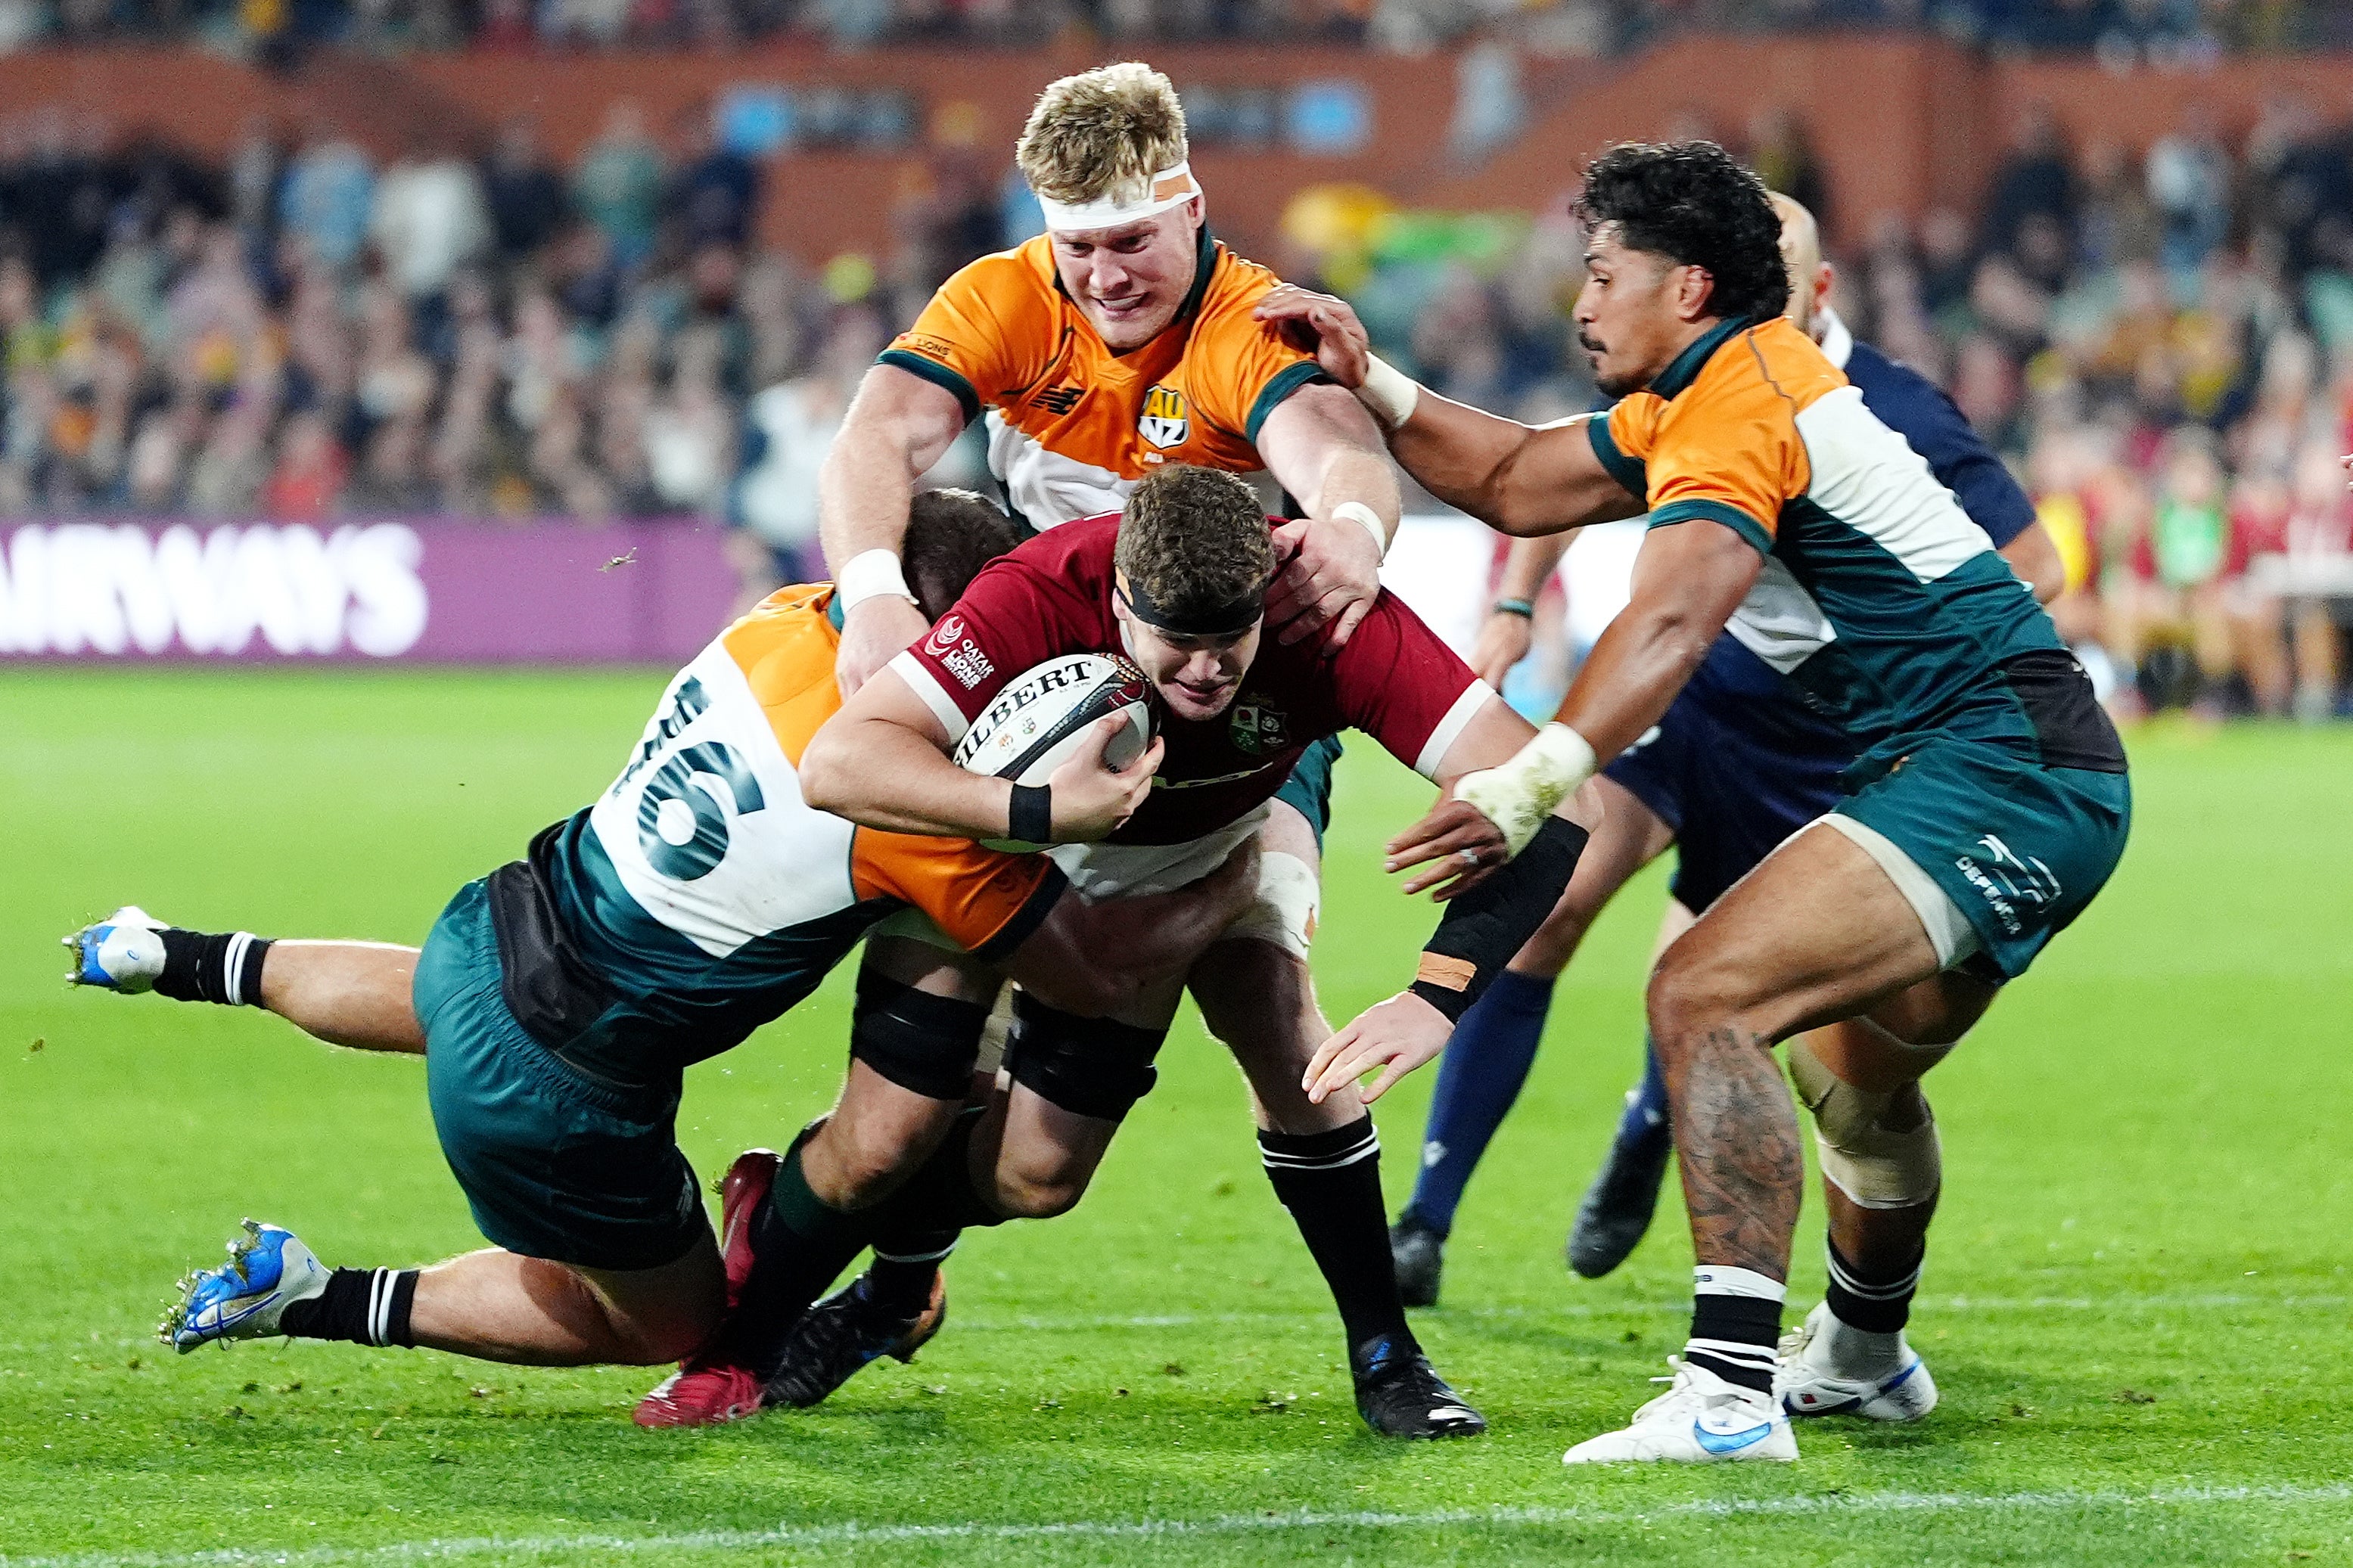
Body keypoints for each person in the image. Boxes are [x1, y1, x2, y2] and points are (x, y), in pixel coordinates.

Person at [1265, 141, 2130, 1465]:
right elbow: (1510, 478)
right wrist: (1371, 381)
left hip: (1994, 766)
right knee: (1852, 1082)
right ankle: (1861, 1351)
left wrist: (1530, 777)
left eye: (1603, 273)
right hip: (2002, 765)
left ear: (1690, 285)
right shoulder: (1723, 382)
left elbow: (1673, 615)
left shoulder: (1738, 399)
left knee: (1702, 990)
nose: (1580, 303)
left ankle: (1725, 1393)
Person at [68, 490, 1253, 1402]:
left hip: (506, 917)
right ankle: (316, 1295)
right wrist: (1231, 886)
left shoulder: (778, 620)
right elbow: (1092, 971)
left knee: (441, 998)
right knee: (669, 1321)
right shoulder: (912, 822)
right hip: (561, 1082)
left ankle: (167, 953)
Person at [788, 60, 1424, 1420]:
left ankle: (1385, 1351)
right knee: (969, 1061)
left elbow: (1338, 453)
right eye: (1078, 246)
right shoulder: (1007, 296)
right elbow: (876, 434)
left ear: (1189, 205)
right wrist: (879, 599)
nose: (1105, 275)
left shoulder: (1252, 322)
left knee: (1272, 1010)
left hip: (1236, 705)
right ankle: (895, 1285)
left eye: (1132, 241)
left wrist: (1355, 536)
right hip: (1049, 702)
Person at [713, 461, 1595, 1440]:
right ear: (1116, 597)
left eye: (1233, 641)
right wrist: (1039, 809)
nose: (1208, 672)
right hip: (998, 843)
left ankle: (1386, 1354)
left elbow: (1560, 803)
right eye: (1179, 645)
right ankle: (741, 1348)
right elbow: (841, 759)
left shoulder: (1327, 613)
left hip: (1180, 862)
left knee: (1039, 1178)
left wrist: (1433, 996)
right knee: (879, 1137)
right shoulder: (1042, 590)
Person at [1382, 194, 2065, 1320]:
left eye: (1778, 272)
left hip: (1811, 742)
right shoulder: (1695, 377)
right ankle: (1428, 1215)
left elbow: (2033, 561)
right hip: (1687, 695)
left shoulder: (1894, 408)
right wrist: (1513, 599)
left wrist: (1886, 653)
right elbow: (1558, 473)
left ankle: (1655, 1152)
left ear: (1818, 287)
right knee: (1552, 903)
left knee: (1715, 975)